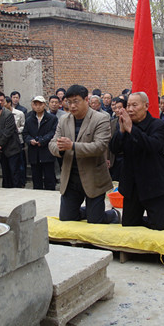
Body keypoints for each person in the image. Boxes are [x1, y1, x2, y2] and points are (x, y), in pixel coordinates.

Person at [49, 84, 120, 224]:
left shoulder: (100, 119)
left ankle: (112, 214)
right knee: (67, 219)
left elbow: (100, 147)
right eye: (69, 102)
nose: (72, 106)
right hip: (70, 177)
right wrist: (60, 149)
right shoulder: (64, 120)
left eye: (76, 101)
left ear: (86, 100)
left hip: (93, 176)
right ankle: (89, 210)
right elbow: (52, 144)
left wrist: (72, 146)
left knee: (95, 221)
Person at [110, 92, 164, 230]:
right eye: (128, 105)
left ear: (146, 106)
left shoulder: (158, 125)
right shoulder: (125, 125)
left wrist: (131, 129)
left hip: (153, 185)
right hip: (132, 186)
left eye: (135, 105)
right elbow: (114, 149)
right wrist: (122, 132)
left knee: (158, 227)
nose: (130, 109)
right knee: (130, 226)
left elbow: (152, 145)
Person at [23, 96, 58, 190]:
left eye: (40, 104)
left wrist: (42, 141)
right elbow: (25, 134)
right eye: (35, 104)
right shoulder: (29, 119)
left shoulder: (52, 118)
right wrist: (30, 140)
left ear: (45, 105)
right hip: (34, 153)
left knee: (49, 177)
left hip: (47, 151)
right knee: (36, 178)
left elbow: (53, 132)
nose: (38, 107)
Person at [0, 100, 22, 188]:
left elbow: (7, 133)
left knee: (14, 172)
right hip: (1, 151)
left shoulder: (8, 115)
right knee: (5, 173)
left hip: (12, 149)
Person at [4, 95, 26, 187]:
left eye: (4, 102)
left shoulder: (19, 113)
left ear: (9, 103)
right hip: (6, 143)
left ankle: (21, 182)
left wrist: (16, 130)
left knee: (19, 163)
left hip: (18, 141)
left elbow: (24, 126)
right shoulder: (2, 115)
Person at [108, 97, 126, 181]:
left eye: (120, 108)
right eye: (116, 108)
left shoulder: (130, 123)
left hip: (126, 157)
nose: (118, 110)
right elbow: (108, 141)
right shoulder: (112, 123)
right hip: (114, 157)